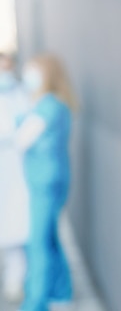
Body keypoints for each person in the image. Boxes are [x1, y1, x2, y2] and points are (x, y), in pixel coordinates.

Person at [17, 53, 76, 311]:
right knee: (49, 238)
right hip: (52, 180)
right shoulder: (54, 104)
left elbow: (22, 140)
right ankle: (61, 293)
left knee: (38, 243)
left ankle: (36, 303)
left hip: (45, 183)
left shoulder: (47, 106)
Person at [0, 52, 30, 302]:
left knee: (13, 228)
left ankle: (14, 283)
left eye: (7, 65)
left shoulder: (19, 92)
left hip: (13, 165)